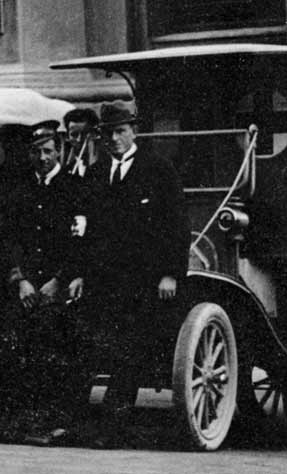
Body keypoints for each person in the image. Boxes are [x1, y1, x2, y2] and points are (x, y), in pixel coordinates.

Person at [72, 102, 189, 448]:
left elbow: (177, 226)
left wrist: (171, 274)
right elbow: (84, 228)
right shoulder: (95, 175)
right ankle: (90, 422)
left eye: (121, 131)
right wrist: (78, 273)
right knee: (97, 344)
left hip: (144, 281)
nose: (115, 139)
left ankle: (113, 425)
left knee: (129, 348)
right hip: (103, 280)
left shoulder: (159, 169)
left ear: (134, 131)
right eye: (108, 133)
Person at [0, 121, 85, 445]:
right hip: (24, 288)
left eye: (48, 151)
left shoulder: (75, 188)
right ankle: (15, 421)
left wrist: (57, 281)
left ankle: (50, 422)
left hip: (58, 289)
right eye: (36, 152)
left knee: (49, 344)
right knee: (9, 340)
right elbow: (8, 238)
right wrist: (20, 280)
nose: (42, 157)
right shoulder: (19, 189)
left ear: (59, 151)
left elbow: (81, 241)